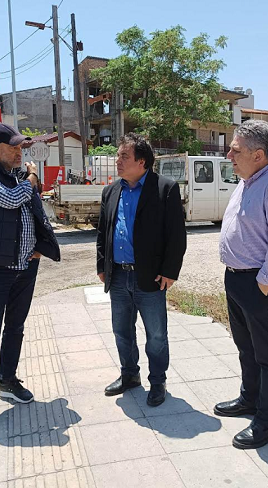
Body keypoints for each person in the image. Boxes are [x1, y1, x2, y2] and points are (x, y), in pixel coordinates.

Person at [214, 120, 268, 449]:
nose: (229, 156)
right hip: (237, 279)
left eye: (235, 150)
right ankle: (250, 400)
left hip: (259, 284)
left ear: (258, 154)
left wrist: (264, 284)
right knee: (246, 349)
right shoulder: (248, 181)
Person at [0, 123, 61, 431]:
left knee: (16, 328)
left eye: (21, 147)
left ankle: (8, 381)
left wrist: (39, 247)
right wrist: (32, 179)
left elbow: (35, 213)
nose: (20, 152)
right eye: (13, 148)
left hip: (26, 267)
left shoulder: (17, 176)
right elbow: (9, 200)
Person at [97, 133, 186, 407]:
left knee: (156, 335)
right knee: (122, 331)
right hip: (118, 275)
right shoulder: (111, 191)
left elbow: (176, 235)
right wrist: (102, 265)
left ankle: (157, 381)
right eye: (118, 155)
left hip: (150, 277)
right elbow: (103, 232)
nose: (117, 161)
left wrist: (170, 271)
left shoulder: (165, 189)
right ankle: (129, 375)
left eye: (124, 156)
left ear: (142, 162)